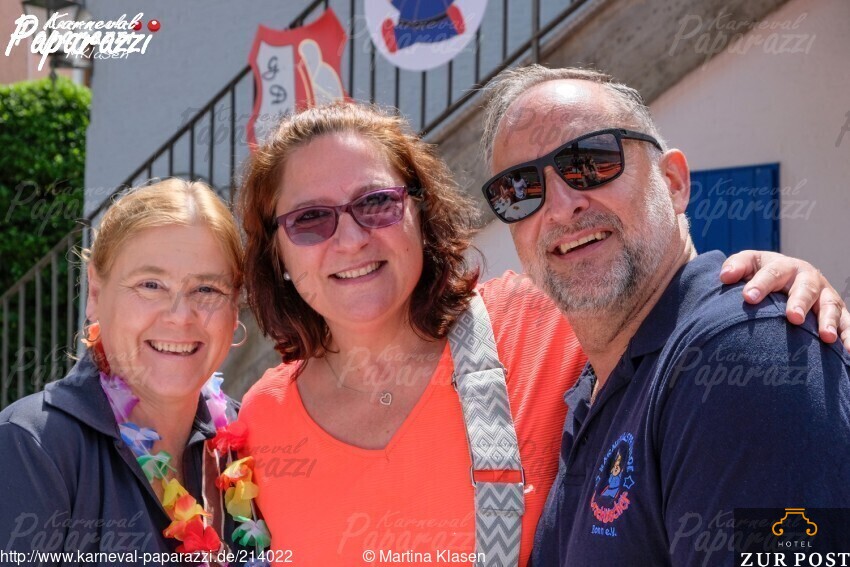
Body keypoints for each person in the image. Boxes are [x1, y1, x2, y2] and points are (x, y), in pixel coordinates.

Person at [236, 101, 849, 566]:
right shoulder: (257, 424)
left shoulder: (541, 320)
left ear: (420, 214)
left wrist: (771, 291)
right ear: (277, 252)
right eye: (310, 219)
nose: (350, 238)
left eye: (376, 203)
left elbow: (658, 295)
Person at [479, 65, 850, 565]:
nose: (561, 207)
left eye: (590, 161)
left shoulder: (746, 354)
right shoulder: (594, 389)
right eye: (520, 189)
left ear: (673, 182)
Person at [0, 179, 259, 564]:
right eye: (150, 285)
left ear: (234, 307)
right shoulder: (33, 446)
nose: (180, 316)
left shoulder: (250, 441)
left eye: (207, 289)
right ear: (95, 293)